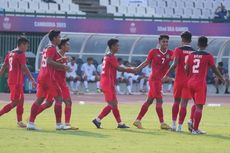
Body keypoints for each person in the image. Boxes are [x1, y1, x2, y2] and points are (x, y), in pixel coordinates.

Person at [31, 38, 78, 130]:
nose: (69, 46)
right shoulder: (55, 53)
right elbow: (53, 66)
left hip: (61, 82)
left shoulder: (62, 56)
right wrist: (65, 66)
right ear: (62, 46)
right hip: (55, 82)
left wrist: (65, 62)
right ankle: (59, 124)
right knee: (50, 102)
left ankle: (66, 124)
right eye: (67, 44)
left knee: (64, 102)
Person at [27, 30, 69, 130]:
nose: (60, 39)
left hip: (42, 75)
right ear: (54, 38)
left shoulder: (47, 48)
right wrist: (63, 66)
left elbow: (49, 61)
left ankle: (30, 123)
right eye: (59, 37)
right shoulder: (52, 48)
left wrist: (61, 60)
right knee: (59, 98)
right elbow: (50, 62)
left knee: (40, 99)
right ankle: (59, 125)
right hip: (49, 77)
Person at [92, 38, 135, 129]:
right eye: (117, 45)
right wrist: (132, 70)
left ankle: (120, 123)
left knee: (114, 103)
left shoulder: (108, 56)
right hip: (107, 83)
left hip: (108, 82)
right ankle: (97, 119)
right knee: (111, 104)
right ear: (112, 46)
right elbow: (119, 68)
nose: (118, 47)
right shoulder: (111, 57)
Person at [185, 36, 225, 134]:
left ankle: (191, 120)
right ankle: (195, 129)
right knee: (200, 107)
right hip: (200, 83)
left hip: (190, 82)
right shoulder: (208, 56)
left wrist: (189, 77)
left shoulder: (190, 55)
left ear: (197, 44)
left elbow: (186, 68)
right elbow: (214, 69)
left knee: (195, 104)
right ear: (207, 45)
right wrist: (221, 78)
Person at [132, 34, 173, 130]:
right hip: (154, 80)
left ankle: (137, 120)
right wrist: (137, 68)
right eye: (163, 41)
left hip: (159, 80)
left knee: (149, 101)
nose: (165, 43)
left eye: (167, 42)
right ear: (159, 42)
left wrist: (168, 75)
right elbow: (146, 62)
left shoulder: (170, 53)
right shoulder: (153, 52)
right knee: (159, 100)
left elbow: (176, 62)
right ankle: (162, 123)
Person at [162, 31, 195, 132]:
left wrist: (166, 74)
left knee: (176, 102)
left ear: (182, 40)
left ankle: (173, 125)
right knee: (184, 104)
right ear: (190, 40)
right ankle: (180, 127)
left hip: (179, 80)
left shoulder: (178, 50)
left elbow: (174, 64)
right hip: (188, 81)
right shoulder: (194, 52)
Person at [0, 36, 36, 128]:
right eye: (26, 46)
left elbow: (4, 66)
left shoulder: (10, 53)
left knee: (21, 100)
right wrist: (32, 79)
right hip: (16, 82)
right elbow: (24, 67)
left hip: (13, 81)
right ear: (22, 44)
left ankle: (19, 121)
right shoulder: (20, 54)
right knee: (15, 102)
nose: (27, 48)